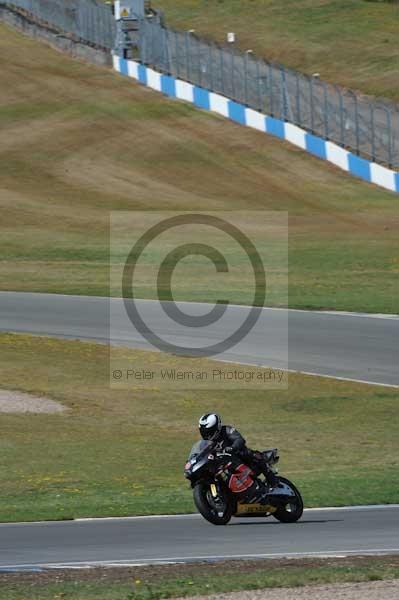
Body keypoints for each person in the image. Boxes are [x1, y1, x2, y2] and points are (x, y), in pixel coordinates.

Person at [198, 413, 279, 488]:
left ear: (216, 428)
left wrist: (232, 448)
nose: (206, 434)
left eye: (208, 431)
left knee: (255, 456)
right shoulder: (205, 443)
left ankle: (273, 482)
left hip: (239, 457)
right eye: (203, 432)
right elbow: (203, 454)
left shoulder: (226, 430)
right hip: (222, 464)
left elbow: (239, 439)